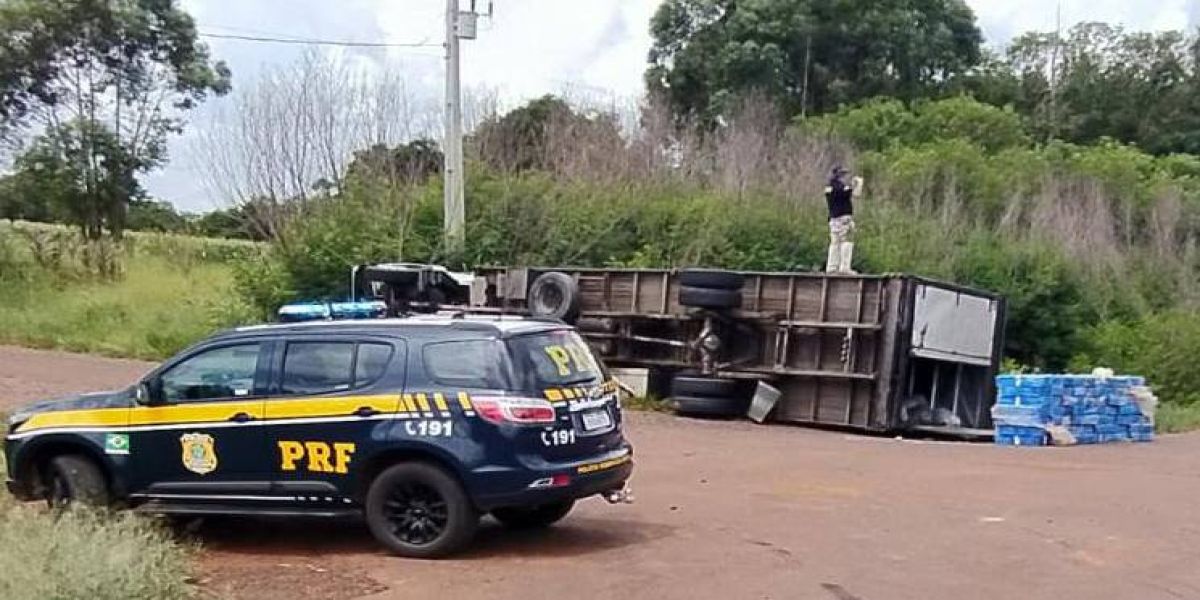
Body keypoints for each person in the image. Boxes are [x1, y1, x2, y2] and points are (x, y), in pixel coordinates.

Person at [824, 166, 863, 274]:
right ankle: (844, 267)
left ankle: (832, 267)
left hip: (833, 218)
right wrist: (858, 183)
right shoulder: (841, 187)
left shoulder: (828, 187)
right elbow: (856, 194)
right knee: (847, 240)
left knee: (835, 242)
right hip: (844, 218)